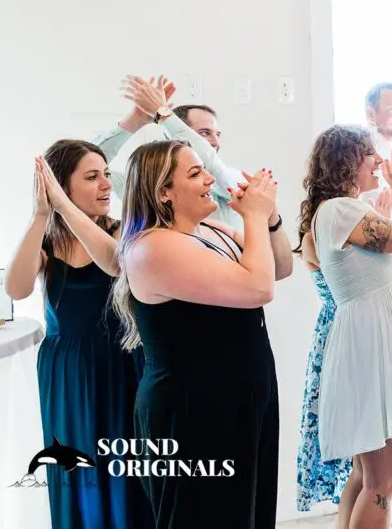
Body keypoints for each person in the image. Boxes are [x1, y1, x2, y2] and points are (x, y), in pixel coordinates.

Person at [112, 141, 292, 528]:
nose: (211, 178)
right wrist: (253, 217)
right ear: (163, 191)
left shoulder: (210, 230)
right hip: (193, 409)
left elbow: (279, 267)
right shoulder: (152, 247)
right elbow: (259, 288)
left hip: (241, 397)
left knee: (249, 512)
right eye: (195, 173)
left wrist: (270, 217)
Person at [4, 141, 152, 529]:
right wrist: (41, 213)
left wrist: (63, 208)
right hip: (66, 370)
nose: (106, 184)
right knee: (75, 470)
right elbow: (16, 289)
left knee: (126, 470)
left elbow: (117, 263)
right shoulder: (47, 242)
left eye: (105, 174)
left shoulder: (123, 231)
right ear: (61, 186)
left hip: (121, 364)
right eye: (91, 177)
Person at [294, 117, 392, 527]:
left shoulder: (339, 211)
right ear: (345, 162)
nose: (378, 160)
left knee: (366, 475)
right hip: (376, 346)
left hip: (373, 341)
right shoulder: (341, 209)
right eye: (368, 153)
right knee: (384, 482)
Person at [96, 75, 247, 231]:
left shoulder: (230, 180)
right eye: (204, 133)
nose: (216, 142)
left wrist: (162, 113)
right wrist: (135, 121)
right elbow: (87, 164)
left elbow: (212, 164)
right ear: (171, 137)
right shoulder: (144, 183)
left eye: (217, 134)